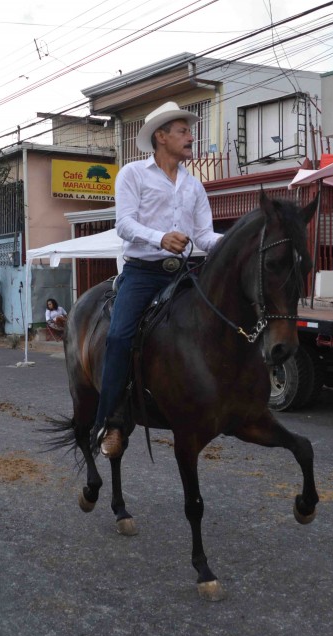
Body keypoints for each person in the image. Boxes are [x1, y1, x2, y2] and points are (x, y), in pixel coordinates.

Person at [93, 101, 222, 457]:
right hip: (143, 272)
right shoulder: (132, 174)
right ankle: (112, 422)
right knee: (119, 337)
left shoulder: (194, 185)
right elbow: (124, 224)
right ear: (161, 137)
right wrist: (160, 237)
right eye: (183, 131)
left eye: (189, 132)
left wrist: (238, 241)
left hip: (184, 273)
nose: (190, 137)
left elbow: (204, 236)